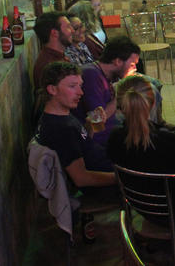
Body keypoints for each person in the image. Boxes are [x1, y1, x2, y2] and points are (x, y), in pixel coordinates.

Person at [107, 75, 175, 232]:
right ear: (153, 104)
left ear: (121, 105)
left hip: (141, 208)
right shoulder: (171, 142)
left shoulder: (114, 139)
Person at [36, 62, 116, 191]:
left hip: (106, 161)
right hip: (105, 183)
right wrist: (121, 178)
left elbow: (82, 144)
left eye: (80, 86)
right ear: (52, 89)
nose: (81, 92)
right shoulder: (60, 130)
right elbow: (81, 178)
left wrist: (90, 125)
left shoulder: (63, 115)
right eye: (72, 86)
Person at [72, 36, 142, 147]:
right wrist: (120, 92)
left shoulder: (105, 74)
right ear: (118, 61)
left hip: (111, 130)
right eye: (132, 64)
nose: (135, 69)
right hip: (101, 141)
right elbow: (97, 121)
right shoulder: (91, 76)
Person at [32, 11, 73, 91]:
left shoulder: (57, 56)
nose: (72, 30)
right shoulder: (50, 66)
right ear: (55, 33)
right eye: (68, 27)